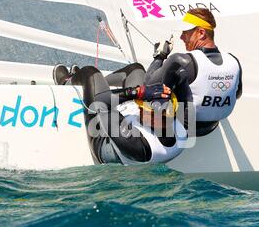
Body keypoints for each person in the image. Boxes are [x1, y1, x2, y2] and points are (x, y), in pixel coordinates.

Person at [53, 63, 187, 165]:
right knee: (136, 69)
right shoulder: (181, 130)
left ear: (154, 119)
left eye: (143, 108)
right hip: (133, 128)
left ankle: (68, 81)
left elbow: (101, 102)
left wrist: (136, 92)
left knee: (90, 73)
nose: (140, 109)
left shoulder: (139, 146)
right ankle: (88, 82)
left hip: (104, 142)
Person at [145, 8, 242, 136]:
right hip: (211, 127)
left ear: (201, 33)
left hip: (183, 129)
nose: (181, 37)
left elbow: (148, 86)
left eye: (186, 32)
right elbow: (237, 94)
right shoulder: (233, 60)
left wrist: (160, 56)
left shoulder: (182, 60)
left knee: (135, 71)